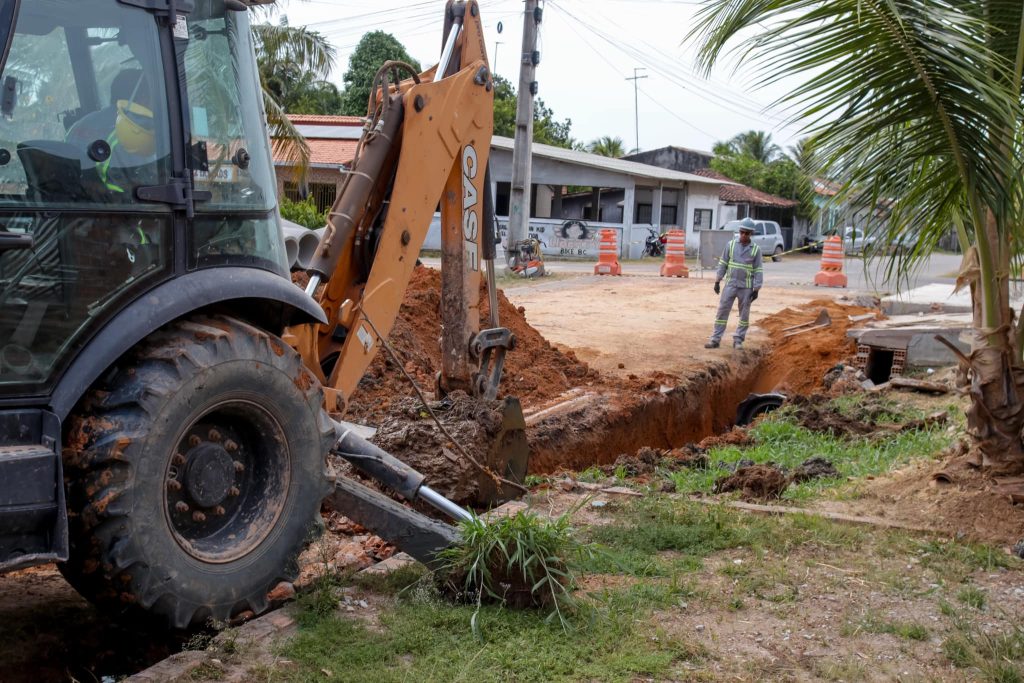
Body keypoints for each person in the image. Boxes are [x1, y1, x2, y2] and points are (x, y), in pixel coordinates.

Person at [705, 218, 763, 350]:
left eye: (747, 233)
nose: (744, 235)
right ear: (739, 231)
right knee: (722, 312)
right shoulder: (730, 245)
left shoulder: (756, 250)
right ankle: (715, 339)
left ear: (751, 234)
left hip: (746, 288)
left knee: (744, 315)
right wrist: (717, 281)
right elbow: (723, 263)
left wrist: (757, 289)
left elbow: (758, 269)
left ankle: (738, 340)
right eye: (742, 232)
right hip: (730, 285)